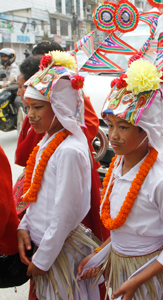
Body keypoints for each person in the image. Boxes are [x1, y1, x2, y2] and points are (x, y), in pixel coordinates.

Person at [77, 57, 163, 300]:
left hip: (151, 279)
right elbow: (123, 231)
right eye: (111, 126)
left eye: (124, 127)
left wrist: (136, 280)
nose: (114, 135)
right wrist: (100, 254)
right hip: (121, 272)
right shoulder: (116, 168)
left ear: (146, 129)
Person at [17, 51, 101, 300]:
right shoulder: (48, 140)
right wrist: (24, 226)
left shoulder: (70, 150)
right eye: (28, 107)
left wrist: (42, 261)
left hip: (61, 251)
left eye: (38, 107)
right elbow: (37, 194)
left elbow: (65, 213)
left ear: (60, 105)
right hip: (46, 245)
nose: (30, 115)